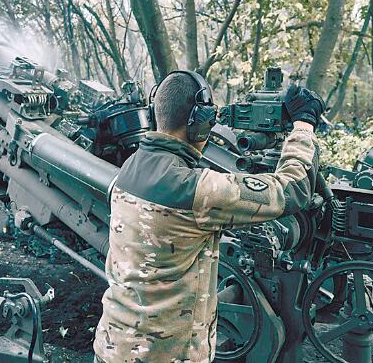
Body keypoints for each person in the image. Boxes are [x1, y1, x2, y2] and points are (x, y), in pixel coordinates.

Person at [93, 71, 323, 363]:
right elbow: (291, 190)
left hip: (112, 345)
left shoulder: (131, 166)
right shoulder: (193, 190)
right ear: (199, 124)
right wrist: (303, 125)